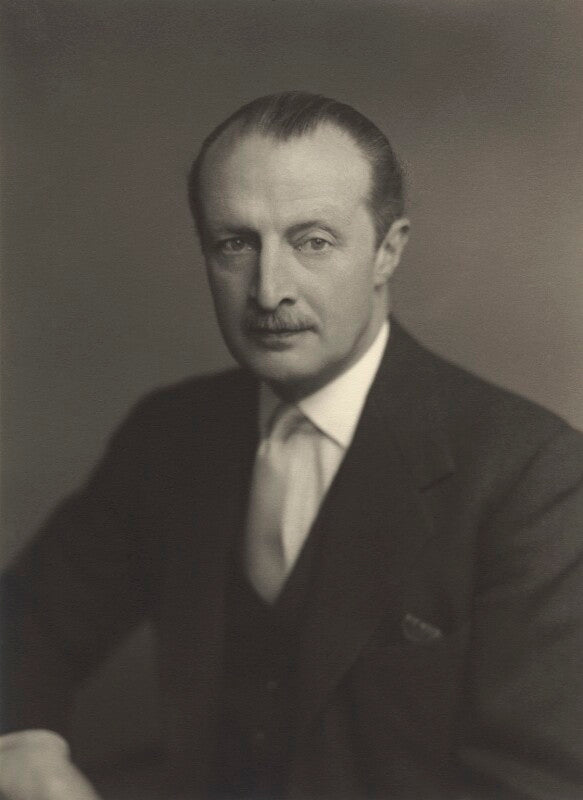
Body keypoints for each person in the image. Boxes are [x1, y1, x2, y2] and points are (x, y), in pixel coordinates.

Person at [1, 91, 582, 800]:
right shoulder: (171, 436)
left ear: (387, 251)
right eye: (235, 244)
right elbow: (25, 622)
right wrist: (24, 743)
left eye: (312, 242)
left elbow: (532, 783)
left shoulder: (532, 477)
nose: (269, 289)